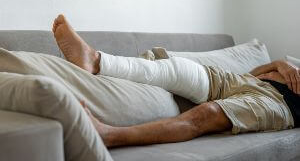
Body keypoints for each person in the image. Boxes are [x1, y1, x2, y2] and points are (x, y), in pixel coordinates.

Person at [52, 14, 300, 148]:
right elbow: (254, 72)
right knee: (180, 69)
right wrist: (280, 64)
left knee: (206, 114)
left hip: (279, 105)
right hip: (248, 81)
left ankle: (110, 135)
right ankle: (95, 61)